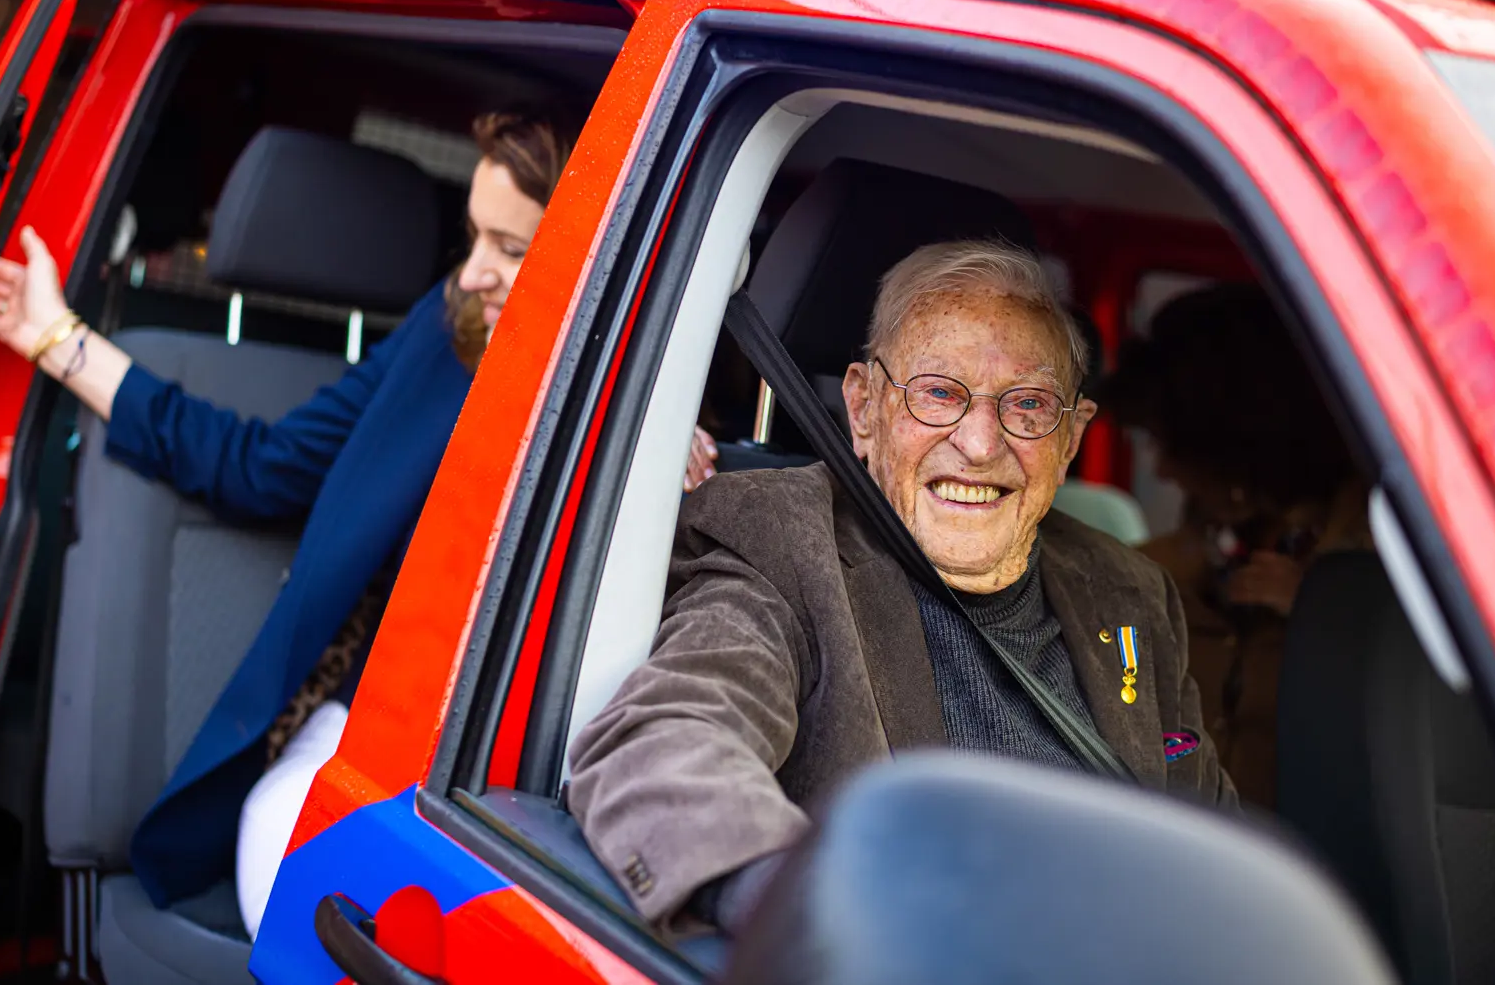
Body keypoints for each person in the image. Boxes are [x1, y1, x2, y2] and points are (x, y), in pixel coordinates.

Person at [0, 109, 718, 936]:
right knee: (312, 904)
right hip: (363, 747)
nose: (473, 274)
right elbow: (260, 465)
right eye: (474, 239)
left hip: (548, 803)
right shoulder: (446, 340)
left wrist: (647, 451)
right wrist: (51, 335)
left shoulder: (664, 418)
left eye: (511, 249)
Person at [567, 239, 1234, 936]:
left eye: (1028, 404)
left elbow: (1211, 842)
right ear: (863, 408)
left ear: (1070, 439)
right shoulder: (782, 542)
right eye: (940, 393)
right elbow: (670, 741)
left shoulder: (1130, 591)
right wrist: (827, 923)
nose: (979, 443)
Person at [1099, 283, 1369, 808]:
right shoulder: (1189, 548)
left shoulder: (1374, 555)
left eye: (1170, 444)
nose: (1161, 469)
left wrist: (1321, 613)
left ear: (1234, 442)